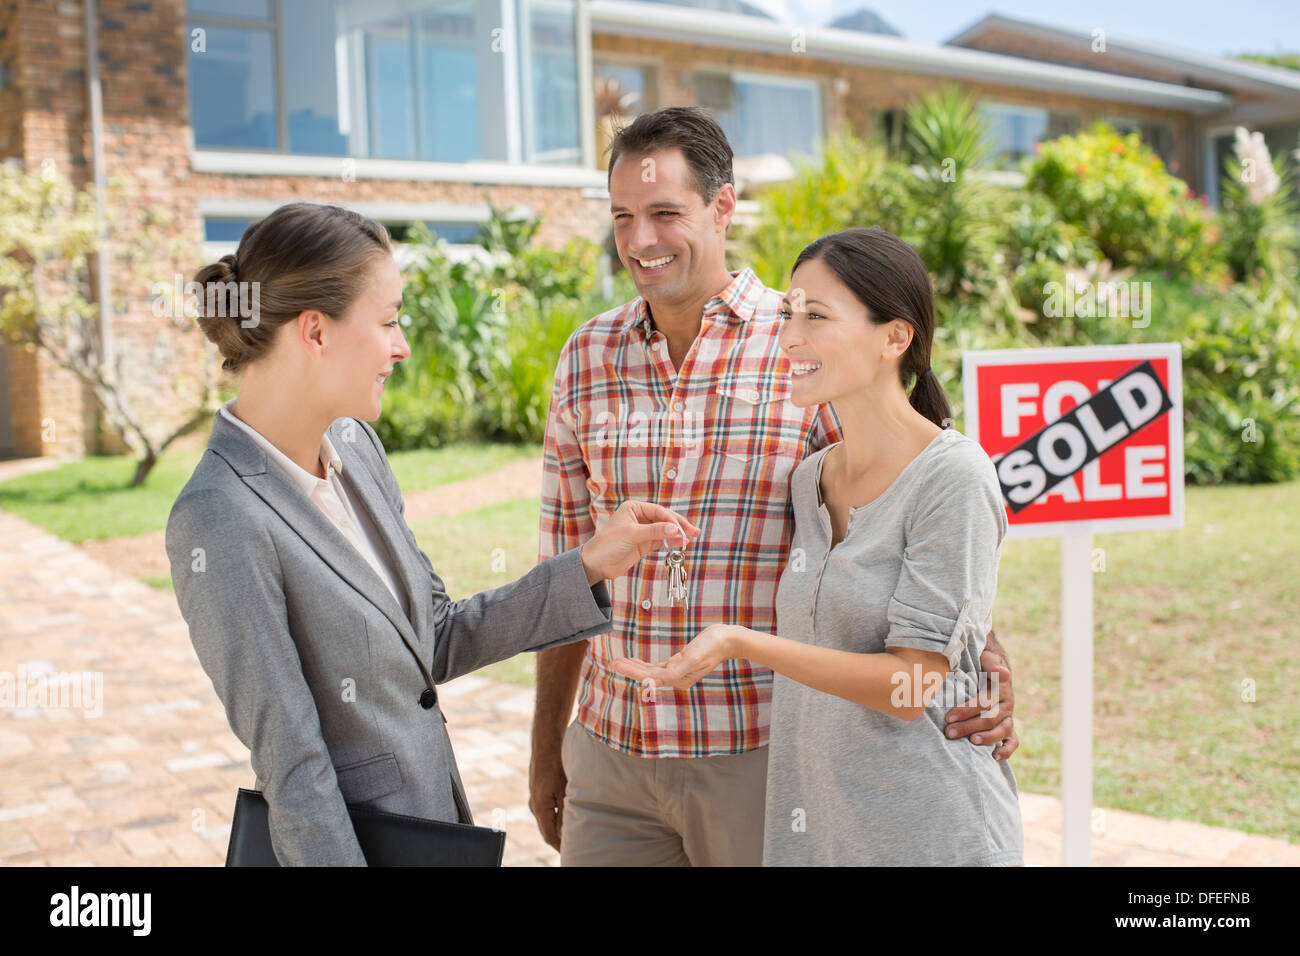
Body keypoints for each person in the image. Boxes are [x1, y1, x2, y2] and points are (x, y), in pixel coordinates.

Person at [531, 107, 1018, 867]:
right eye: (623, 216)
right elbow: (563, 571)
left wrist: (983, 663)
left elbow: (902, 508)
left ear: (724, 206)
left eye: (665, 213)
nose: (640, 240)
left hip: (761, 753)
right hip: (612, 752)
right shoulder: (587, 354)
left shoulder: (809, 350)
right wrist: (545, 748)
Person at [165, 202, 699, 866]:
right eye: (387, 321)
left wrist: (588, 564)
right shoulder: (219, 517)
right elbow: (294, 768)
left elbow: (435, 636)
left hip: (430, 823)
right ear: (314, 332)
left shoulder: (354, 447)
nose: (402, 344)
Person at [614, 226, 1024, 866]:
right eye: (787, 314)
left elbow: (913, 684)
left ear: (895, 337)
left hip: (930, 831)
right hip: (817, 830)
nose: (790, 337)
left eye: (816, 316)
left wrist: (738, 641)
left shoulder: (954, 477)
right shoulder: (811, 480)